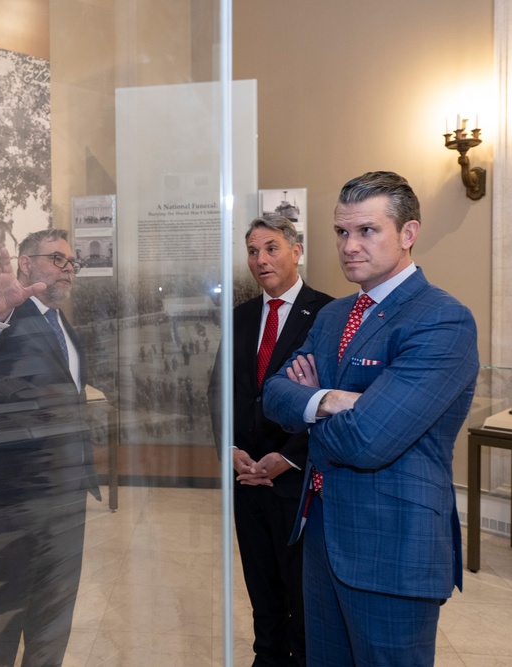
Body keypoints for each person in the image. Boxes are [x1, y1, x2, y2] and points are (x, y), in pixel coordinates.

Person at [263, 171, 479, 666]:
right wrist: (329, 400)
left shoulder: (441, 319)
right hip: (321, 537)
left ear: (408, 234)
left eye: (367, 231)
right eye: (342, 232)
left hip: (392, 547)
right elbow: (273, 394)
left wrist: (307, 403)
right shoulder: (335, 314)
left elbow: (368, 441)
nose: (349, 246)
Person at [0, 228, 101, 667]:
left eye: (71, 263)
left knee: (52, 623)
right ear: (25, 263)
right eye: (57, 259)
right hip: (9, 504)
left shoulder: (62, 325)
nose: (68, 270)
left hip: (64, 503)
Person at [207, 215, 332, 666]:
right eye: (253, 251)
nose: (260, 259)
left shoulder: (326, 313)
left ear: (297, 251)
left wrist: (288, 456)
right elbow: (219, 390)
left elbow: (328, 398)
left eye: (271, 248)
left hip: (298, 481)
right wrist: (231, 452)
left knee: (302, 587)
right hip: (247, 478)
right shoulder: (240, 316)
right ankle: (269, 657)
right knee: (260, 585)